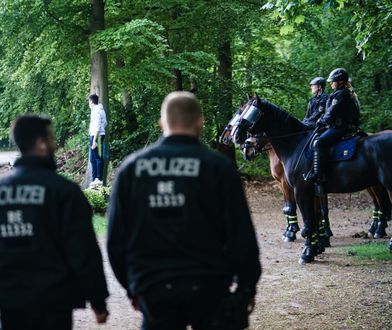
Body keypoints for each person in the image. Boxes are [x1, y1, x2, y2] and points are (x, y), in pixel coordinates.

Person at [107, 91, 261, 330]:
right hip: (210, 286)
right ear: (200, 121)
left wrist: (133, 287)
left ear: (161, 123)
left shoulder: (132, 169)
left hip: (155, 288)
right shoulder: (219, 168)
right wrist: (247, 286)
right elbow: (241, 234)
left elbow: (116, 240)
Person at [0, 115, 109, 330]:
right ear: (41, 143)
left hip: (9, 299)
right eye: (51, 138)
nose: (56, 144)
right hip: (53, 300)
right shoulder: (64, 191)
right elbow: (83, 249)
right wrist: (98, 301)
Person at [307, 68, 360, 182]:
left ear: (340, 82)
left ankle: (318, 174)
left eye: (333, 81)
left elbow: (331, 114)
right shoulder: (339, 93)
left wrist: (321, 121)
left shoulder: (341, 94)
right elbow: (329, 113)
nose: (330, 83)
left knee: (319, 142)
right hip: (337, 126)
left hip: (341, 128)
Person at [88, 94, 107, 187]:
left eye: (89, 102)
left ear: (91, 102)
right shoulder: (99, 110)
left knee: (98, 158)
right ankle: (94, 179)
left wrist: (95, 140)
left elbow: (98, 126)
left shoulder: (96, 111)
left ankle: (99, 179)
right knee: (92, 159)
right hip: (95, 135)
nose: (89, 104)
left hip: (97, 136)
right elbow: (105, 123)